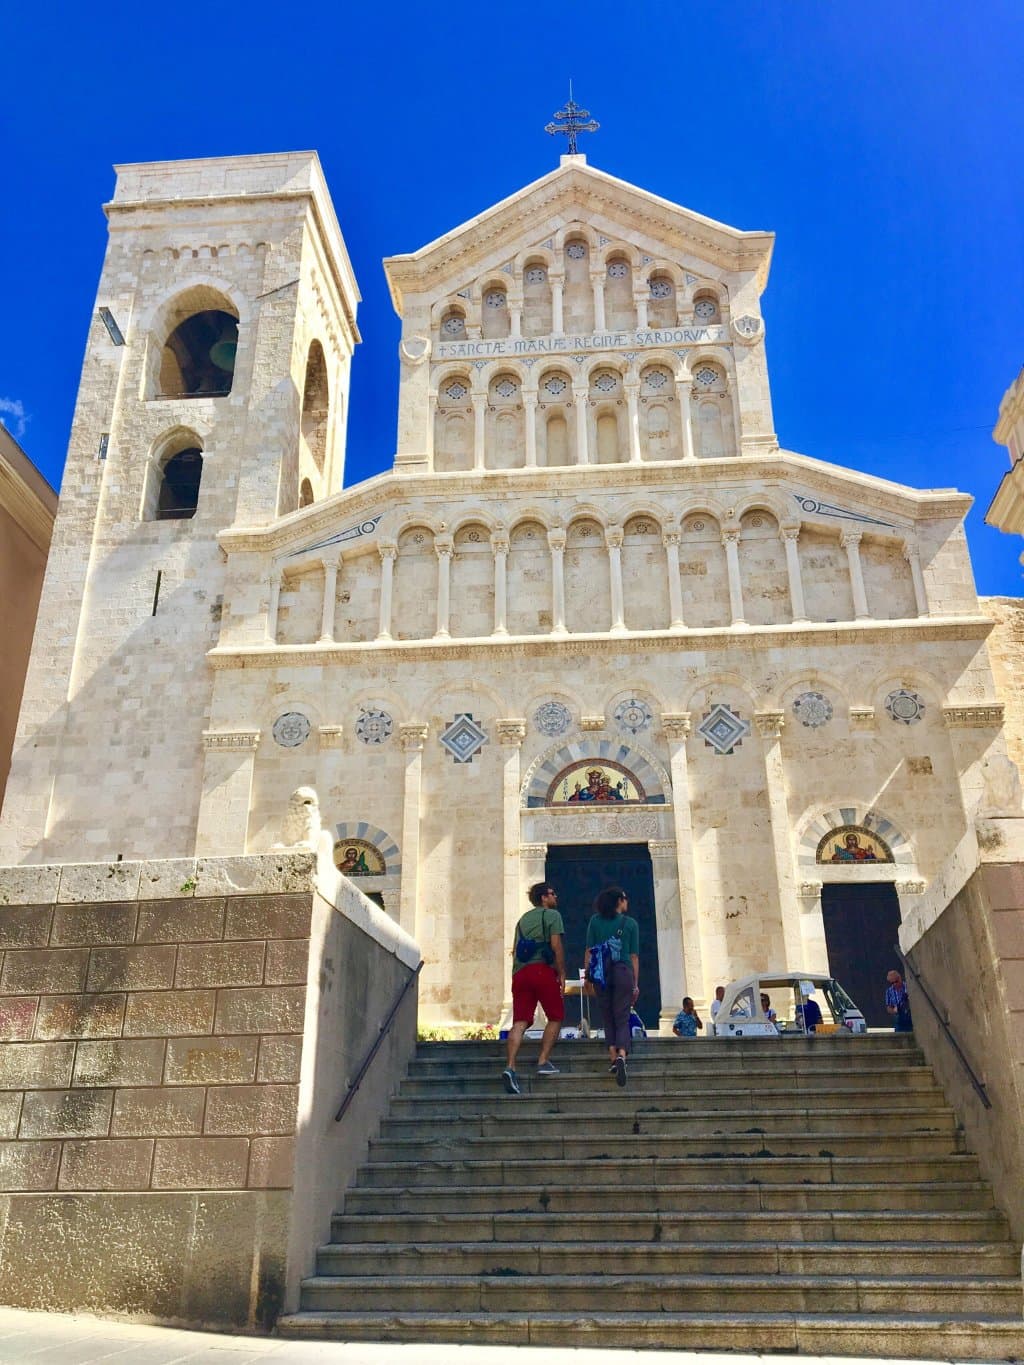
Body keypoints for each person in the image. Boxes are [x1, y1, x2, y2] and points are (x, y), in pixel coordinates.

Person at [502, 882, 566, 1095]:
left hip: (520, 974)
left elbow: (515, 951)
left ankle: (510, 1066)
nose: (555, 896)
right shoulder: (552, 916)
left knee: (519, 1022)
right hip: (542, 971)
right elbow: (556, 945)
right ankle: (543, 1060)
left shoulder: (522, 921)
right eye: (553, 893)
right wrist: (561, 972)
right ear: (544, 897)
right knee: (556, 1016)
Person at [585, 886, 640, 1087]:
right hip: (623, 971)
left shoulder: (595, 922)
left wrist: (587, 978)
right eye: (625, 898)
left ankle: (612, 1056)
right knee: (622, 1017)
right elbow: (634, 956)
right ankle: (622, 1055)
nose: (627, 902)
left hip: (601, 974)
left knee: (607, 1017)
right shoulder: (631, 924)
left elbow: (589, 952)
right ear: (619, 901)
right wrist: (635, 984)